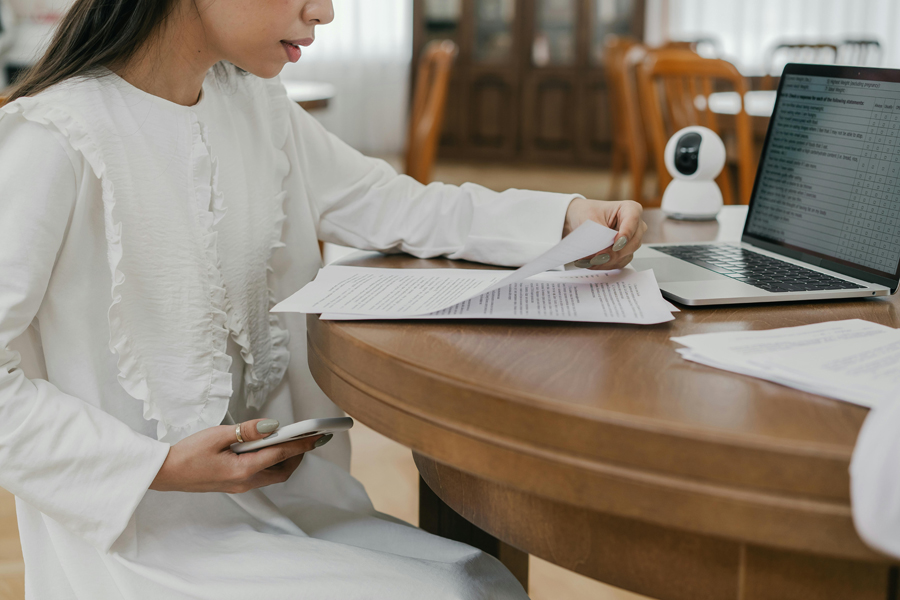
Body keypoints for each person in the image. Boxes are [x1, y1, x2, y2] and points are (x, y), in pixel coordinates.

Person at [0, 0, 647, 598]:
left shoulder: (256, 104)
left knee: (480, 578)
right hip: (140, 539)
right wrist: (157, 467)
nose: (325, 10)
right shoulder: (54, 135)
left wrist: (562, 218)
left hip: (286, 504)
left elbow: (392, 203)